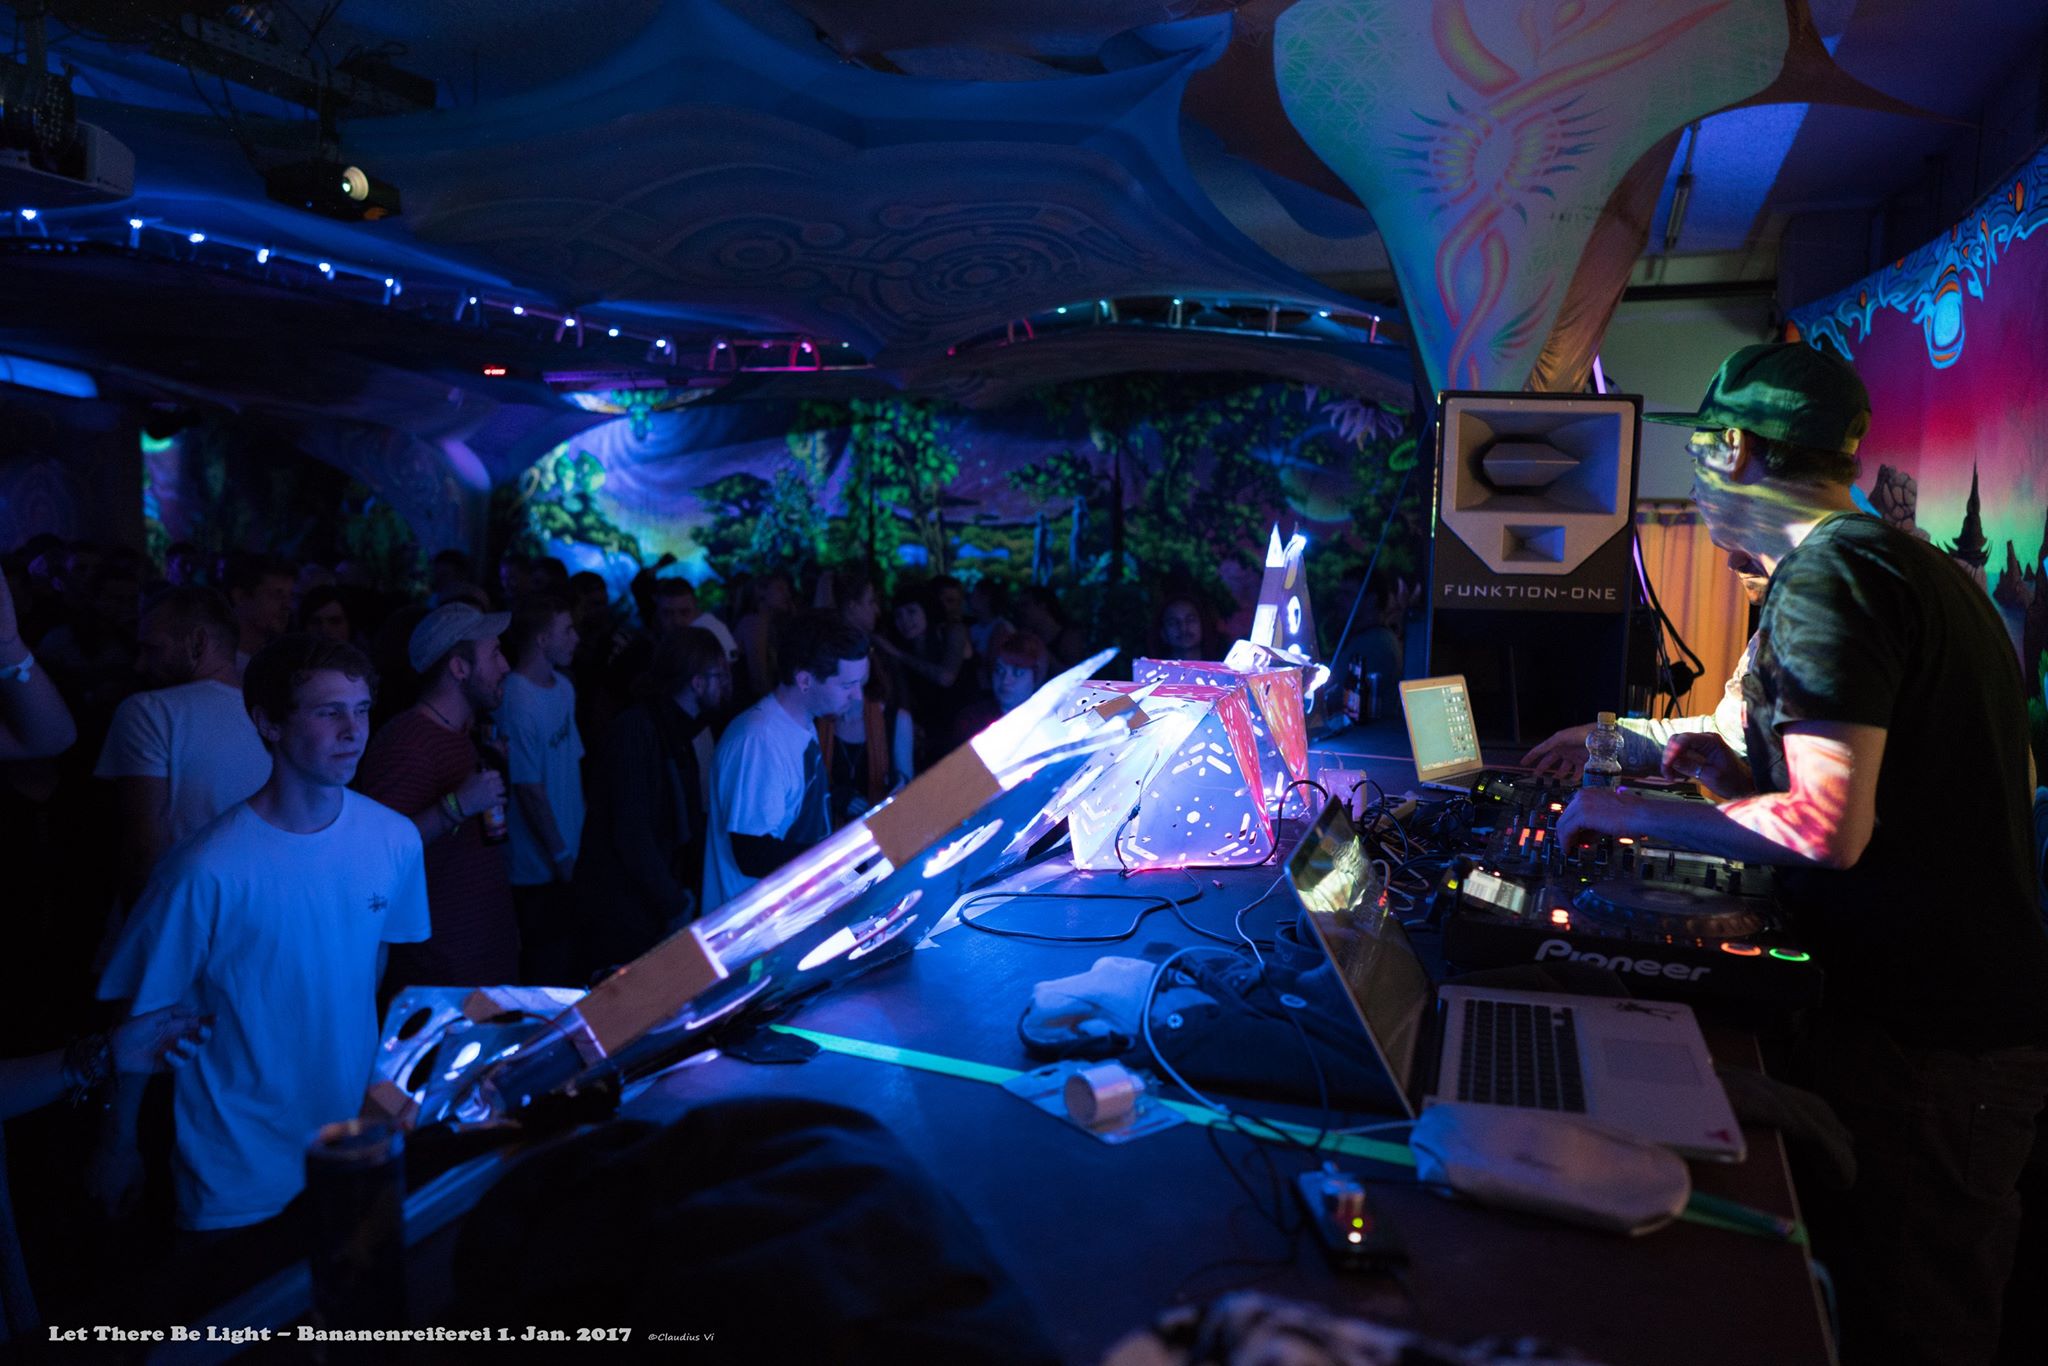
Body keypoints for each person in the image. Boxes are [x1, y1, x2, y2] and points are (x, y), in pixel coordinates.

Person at [1554, 342, 2048, 1366]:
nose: (1696, 480)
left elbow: (1828, 829)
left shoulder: (1833, 576)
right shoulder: (1889, 563)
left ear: (1734, 449)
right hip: (1933, 1037)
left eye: (1700, 451)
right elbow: (1870, 797)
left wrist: (1617, 812)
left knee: (1904, 1333)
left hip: (1930, 1052)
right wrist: (1716, 775)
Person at [93, 634, 429, 1238]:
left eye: (361, 710)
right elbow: (143, 1013)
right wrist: (118, 1144)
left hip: (349, 1145)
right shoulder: (205, 869)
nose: (353, 731)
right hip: (236, 1167)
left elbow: (369, 971)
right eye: (329, 712)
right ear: (268, 723)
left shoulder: (395, 839)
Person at [356, 603, 518, 991]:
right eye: (495, 653)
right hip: (442, 973)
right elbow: (376, 855)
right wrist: (455, 806)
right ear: (459, 668)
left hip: (483, 957)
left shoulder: (462, 734)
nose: (506, 666)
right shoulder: (407, 743)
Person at [96, 587, 272, 907]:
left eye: (152, 648)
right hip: (259, 908)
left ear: (197, 643)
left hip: (178, 912)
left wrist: (140, 926)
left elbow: (143, 849)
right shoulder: (274, 717)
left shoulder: (149, 712)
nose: (140, 665)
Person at [1522, 555, 1767, 782]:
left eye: (1747, 541)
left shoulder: (1786, 639)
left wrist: (1637, 810)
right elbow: (1727, 736)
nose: (1734, 562)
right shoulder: (1765, 638)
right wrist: (1608, 740)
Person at [580, 628, 730, 968]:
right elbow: (632, 834)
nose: (726, 684)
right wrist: (675, 902)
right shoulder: (638, 730)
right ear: (697, 682)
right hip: (623, 910)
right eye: (719, 675)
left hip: (646, 903)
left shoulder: (674, 729)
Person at [703, 611, 868, 910]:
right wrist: (845, 862)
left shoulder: (801, 722)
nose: (857, 696)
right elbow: (752, 853)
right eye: (847, 686)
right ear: (804, 680)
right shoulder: (759, 740)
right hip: (756, 926)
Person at [499, 595, 585, 984]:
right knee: (546, 966)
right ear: (541, 639)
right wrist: (560, 853)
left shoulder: (564, 687)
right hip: (536, 868)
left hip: (570, 853)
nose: (576, 638)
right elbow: (528, 788)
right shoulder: (516, 698)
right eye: (567, 630)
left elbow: (573, 764)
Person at [219, 553, 294, 676]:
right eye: (277, 595)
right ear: (240, 597)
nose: (287, 605)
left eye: (290, 595)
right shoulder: (213, 666)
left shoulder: (283, 663)